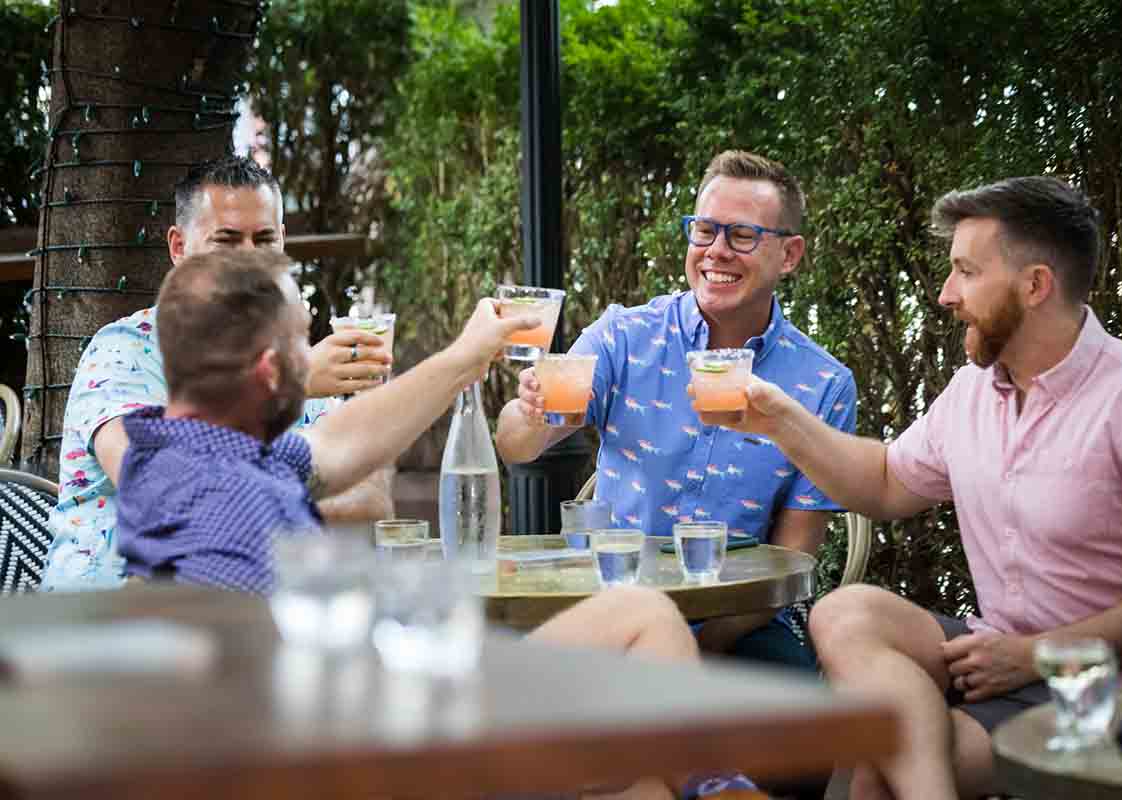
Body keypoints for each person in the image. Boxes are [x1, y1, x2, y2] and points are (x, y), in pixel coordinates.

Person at [116, 247, 761, 800]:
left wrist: (467, 356)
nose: (315, 355)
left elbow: (338, 445)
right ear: (270, 371)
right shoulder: (233, 505)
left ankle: (705, 783)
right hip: (396, 746)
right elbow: (295, 697)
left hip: (379, 717)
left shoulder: (181, 450)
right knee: (641, 629)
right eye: (301, 342)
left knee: (640, 739)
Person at [705, 176, 1122, 799]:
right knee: (845, 610)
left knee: (873, 773)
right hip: (994, 658)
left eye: (965, 272)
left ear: (1035, 285)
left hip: (1110, 691)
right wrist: (777, 418)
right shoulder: (973, 392)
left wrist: (1036, 655)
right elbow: (885, 483)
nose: (945, 295)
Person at [496, 150, 857, 671]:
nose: (717, 251)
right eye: (704, 231)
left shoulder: (823, 384)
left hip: (741, 622)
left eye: (743, 235)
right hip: (607, 608)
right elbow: (515, 444)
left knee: (792, 717)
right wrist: (531, 413)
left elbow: (794, 561)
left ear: (790, 254)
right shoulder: (624, 335)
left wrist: (698, 649)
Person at [41, 156, 394, 592]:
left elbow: (370, 496)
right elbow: (157, 487)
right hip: (107, 628)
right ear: (179, 247)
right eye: (225, 241)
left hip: (238, 618)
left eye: (264, 240)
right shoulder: (124, 350)